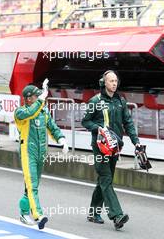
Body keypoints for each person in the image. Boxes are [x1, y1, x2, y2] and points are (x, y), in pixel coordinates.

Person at [81, 70, 140, 230]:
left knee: (104, 181)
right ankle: (117, 215)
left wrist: (136, 142)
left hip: (114, 147)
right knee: (106, 179)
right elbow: (85, 121)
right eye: (111, 81)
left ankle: (93, 213)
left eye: (116, 80)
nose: (114, 83)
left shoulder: (120, 101)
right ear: (104, 83)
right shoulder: (95, 101)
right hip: (100, 148)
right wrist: (99, 129)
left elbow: (127, 123)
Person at [14, 79, 68, 229]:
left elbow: (52, 126)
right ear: (29, 98)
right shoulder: (20, 113)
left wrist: (61, 139)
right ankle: (38, 214)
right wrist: (41, 101)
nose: (39, 98)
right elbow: (30, 113)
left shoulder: (43, 111)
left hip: (41, 153)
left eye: (40, 96)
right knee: (32, 186)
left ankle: (24, 212)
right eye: (36, 96)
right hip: (28, 153)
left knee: (32, 185)